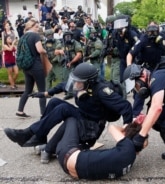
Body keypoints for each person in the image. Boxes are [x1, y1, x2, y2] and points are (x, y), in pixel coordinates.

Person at [4, 62, 133, 150]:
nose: (75, 85)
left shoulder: (102, 91)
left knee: (63, 108)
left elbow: (126, 107)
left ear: (89, 82)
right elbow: (64, 85)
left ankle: (27, 133)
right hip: (84, 115)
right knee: (54, 102)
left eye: (79, 82)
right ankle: (40, 136)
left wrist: (127, 132)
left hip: (92, 125)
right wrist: (46, 93)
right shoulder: (82, 83)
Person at [54, 117, 148, 179]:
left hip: (67, 154)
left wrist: (126, 126)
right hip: (72, 171)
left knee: (72, 120)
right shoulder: (131, 159)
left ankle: (48, 149)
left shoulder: (127, 146)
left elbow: (112, 127)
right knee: (80, 142)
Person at [16, 18, 47, 117]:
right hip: (36, 66)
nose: (38, 29)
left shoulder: (22, 37)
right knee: (42, 90)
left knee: (28, 90)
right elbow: (40, 50)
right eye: (36, 27)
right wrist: (45, 51)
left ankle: (20, 110)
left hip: (26, 66)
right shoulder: (35, 36)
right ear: (31, 27)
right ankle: (44, 113)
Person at [54, 31, 83, 100]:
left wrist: (71, 62)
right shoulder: (62, 43)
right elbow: (55, 52)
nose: (68, 38)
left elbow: (79, 55)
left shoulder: (76, 43)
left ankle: (73, 93)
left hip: (75, 63)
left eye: (69, 36)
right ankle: (69, 92)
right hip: (65, 63)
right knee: (65, 77)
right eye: (66, 36)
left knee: (74, 78)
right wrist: (60, 51)